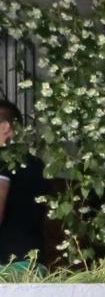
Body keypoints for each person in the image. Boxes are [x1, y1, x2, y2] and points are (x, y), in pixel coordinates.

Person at [0, 100, 47, 272]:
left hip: (6, 266)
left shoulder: (3, 160)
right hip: (34, 262)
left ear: (5, 127)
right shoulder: (37, 164)